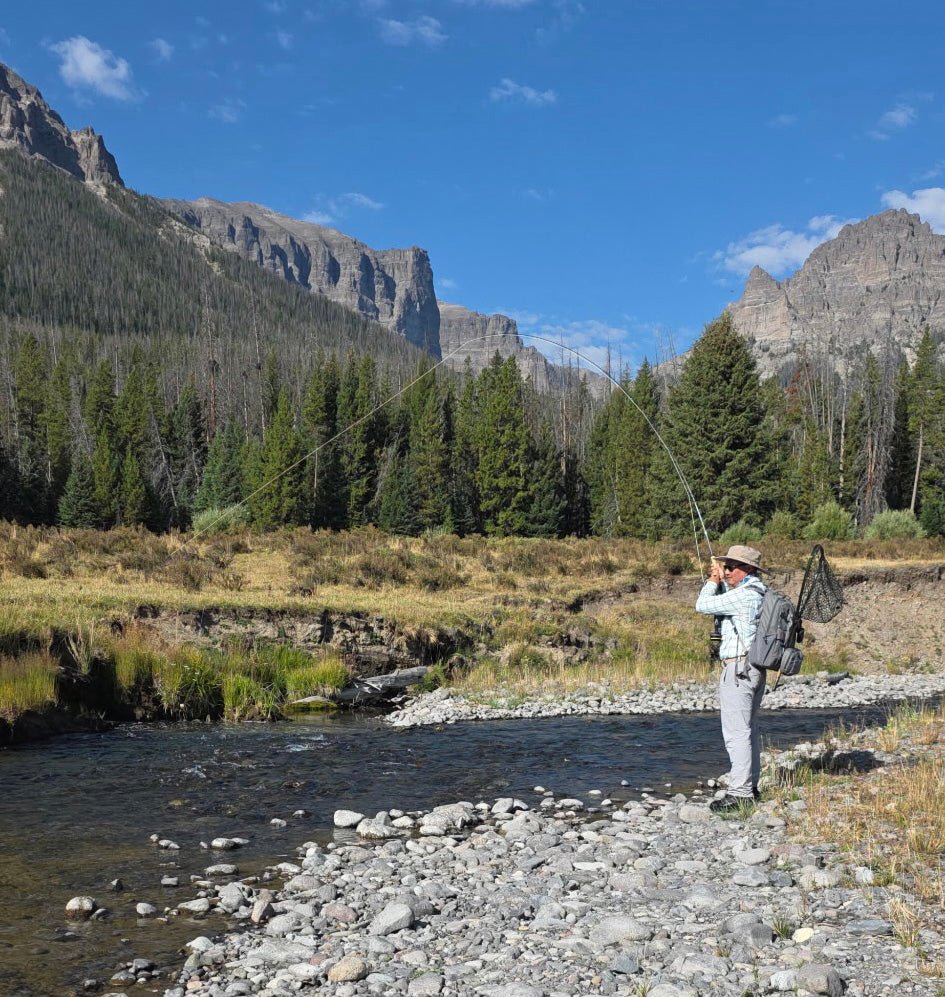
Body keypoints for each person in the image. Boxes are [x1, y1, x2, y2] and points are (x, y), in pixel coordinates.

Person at [695, 544, 767, 813]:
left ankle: (740, 794)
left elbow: (702, 605)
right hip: (754, 668)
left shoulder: (744, 596)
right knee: (749, 730)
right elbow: (729, 603)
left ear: (747, 569)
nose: (726, 571)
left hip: (738, 669)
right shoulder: (758, 592)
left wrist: (712, 581)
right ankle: (750, 786)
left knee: (737, 733)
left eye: (730, 567)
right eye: (724, 567)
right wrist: (722, 580)